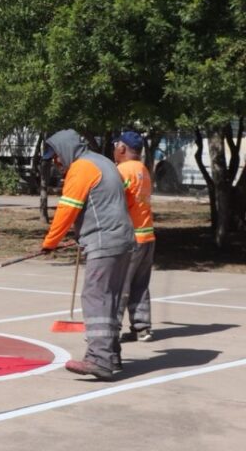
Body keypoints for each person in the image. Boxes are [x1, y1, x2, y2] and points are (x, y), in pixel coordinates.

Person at [40, 129, 135, 380]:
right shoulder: (103, 161)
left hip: (105, 241)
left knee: (95, 297)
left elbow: (67, 209)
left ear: (65, 150)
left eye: (56, 157)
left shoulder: (81, 168)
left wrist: (49, 243)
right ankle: (112, 355)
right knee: (110, 299)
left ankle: (99, 360)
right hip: (123, 240)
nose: (56, 163)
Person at [114, 130, 156, 343]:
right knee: (140, 284)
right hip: (147, 235)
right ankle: (142, 327)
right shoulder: (143, 169)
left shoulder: (122, 170)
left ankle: (110, 330)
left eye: (115, 145)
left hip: (130, 237)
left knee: (119, 285)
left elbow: (112, 200)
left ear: (122, 148)